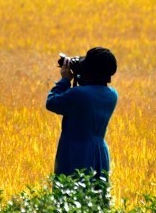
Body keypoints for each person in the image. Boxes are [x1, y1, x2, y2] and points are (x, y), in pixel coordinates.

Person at [45, 47, 118, 187]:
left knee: (69, 196)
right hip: (99, 152)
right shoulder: (112, 95)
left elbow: (52, 102)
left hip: (76, 151)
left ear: (90, 70)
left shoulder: (79, 94)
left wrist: (65, 80)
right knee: (96, 198)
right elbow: (91, 90)